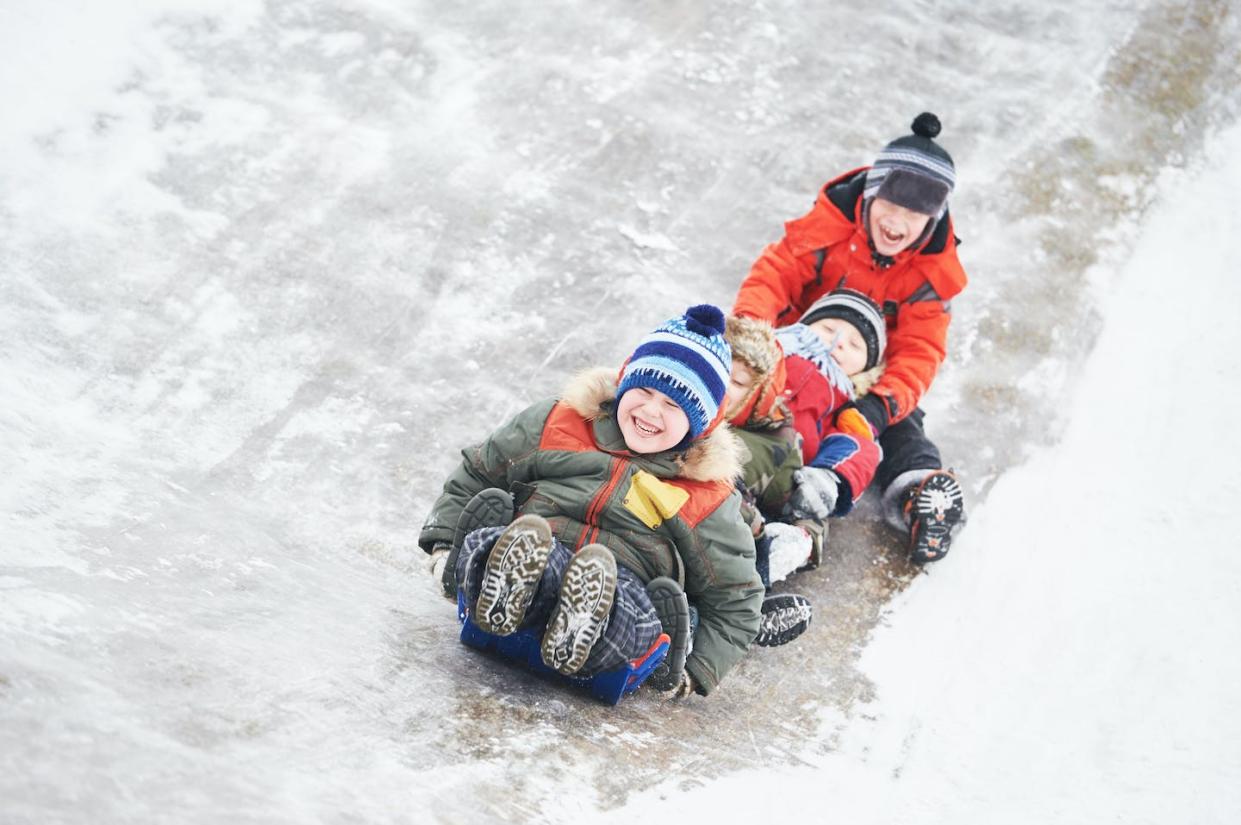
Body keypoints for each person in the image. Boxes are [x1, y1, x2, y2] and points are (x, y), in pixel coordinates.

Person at [420, 305, 763, 697]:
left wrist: (696, 669)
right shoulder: (561, 422)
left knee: (630, 609)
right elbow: (481, 470)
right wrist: (444, 544)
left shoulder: (705, 496)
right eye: (644, 391)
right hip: (540, 546)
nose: (651, 411)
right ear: (624, 381)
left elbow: (736, 596)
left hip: (621, 583)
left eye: (673, 405)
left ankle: (578, 627)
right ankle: (499, 593)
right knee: (507, 545)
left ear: (698, 424)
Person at [732, 112, 967, 563]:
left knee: (899, 428)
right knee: (740, 393)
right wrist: (752, 337)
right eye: (891, 207)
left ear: (933, 219)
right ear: (871, 195)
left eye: (915, 216)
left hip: (864, 379)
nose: (899, 223)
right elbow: (772, 277)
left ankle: (919, 492)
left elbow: (921, 352)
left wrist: (879, 406)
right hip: (795, 349)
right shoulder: (828, 229)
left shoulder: (929, 278)